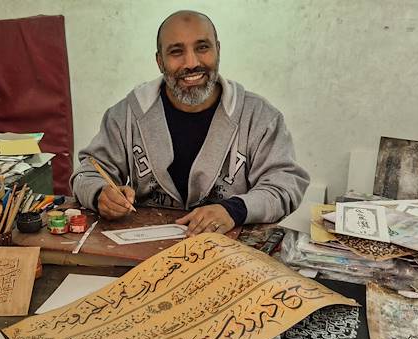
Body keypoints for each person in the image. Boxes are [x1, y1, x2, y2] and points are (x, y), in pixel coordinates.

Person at [71, 10, 309, 235]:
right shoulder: (125, 115)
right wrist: (101, 194)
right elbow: (88, 172)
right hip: (144, 253)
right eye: (176, 51)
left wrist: (234, 210)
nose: (191, 62)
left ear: (218, 50)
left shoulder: (260, 116)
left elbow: (285, 184)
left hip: (232, 254)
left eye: (202, 47)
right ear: (160, 61)